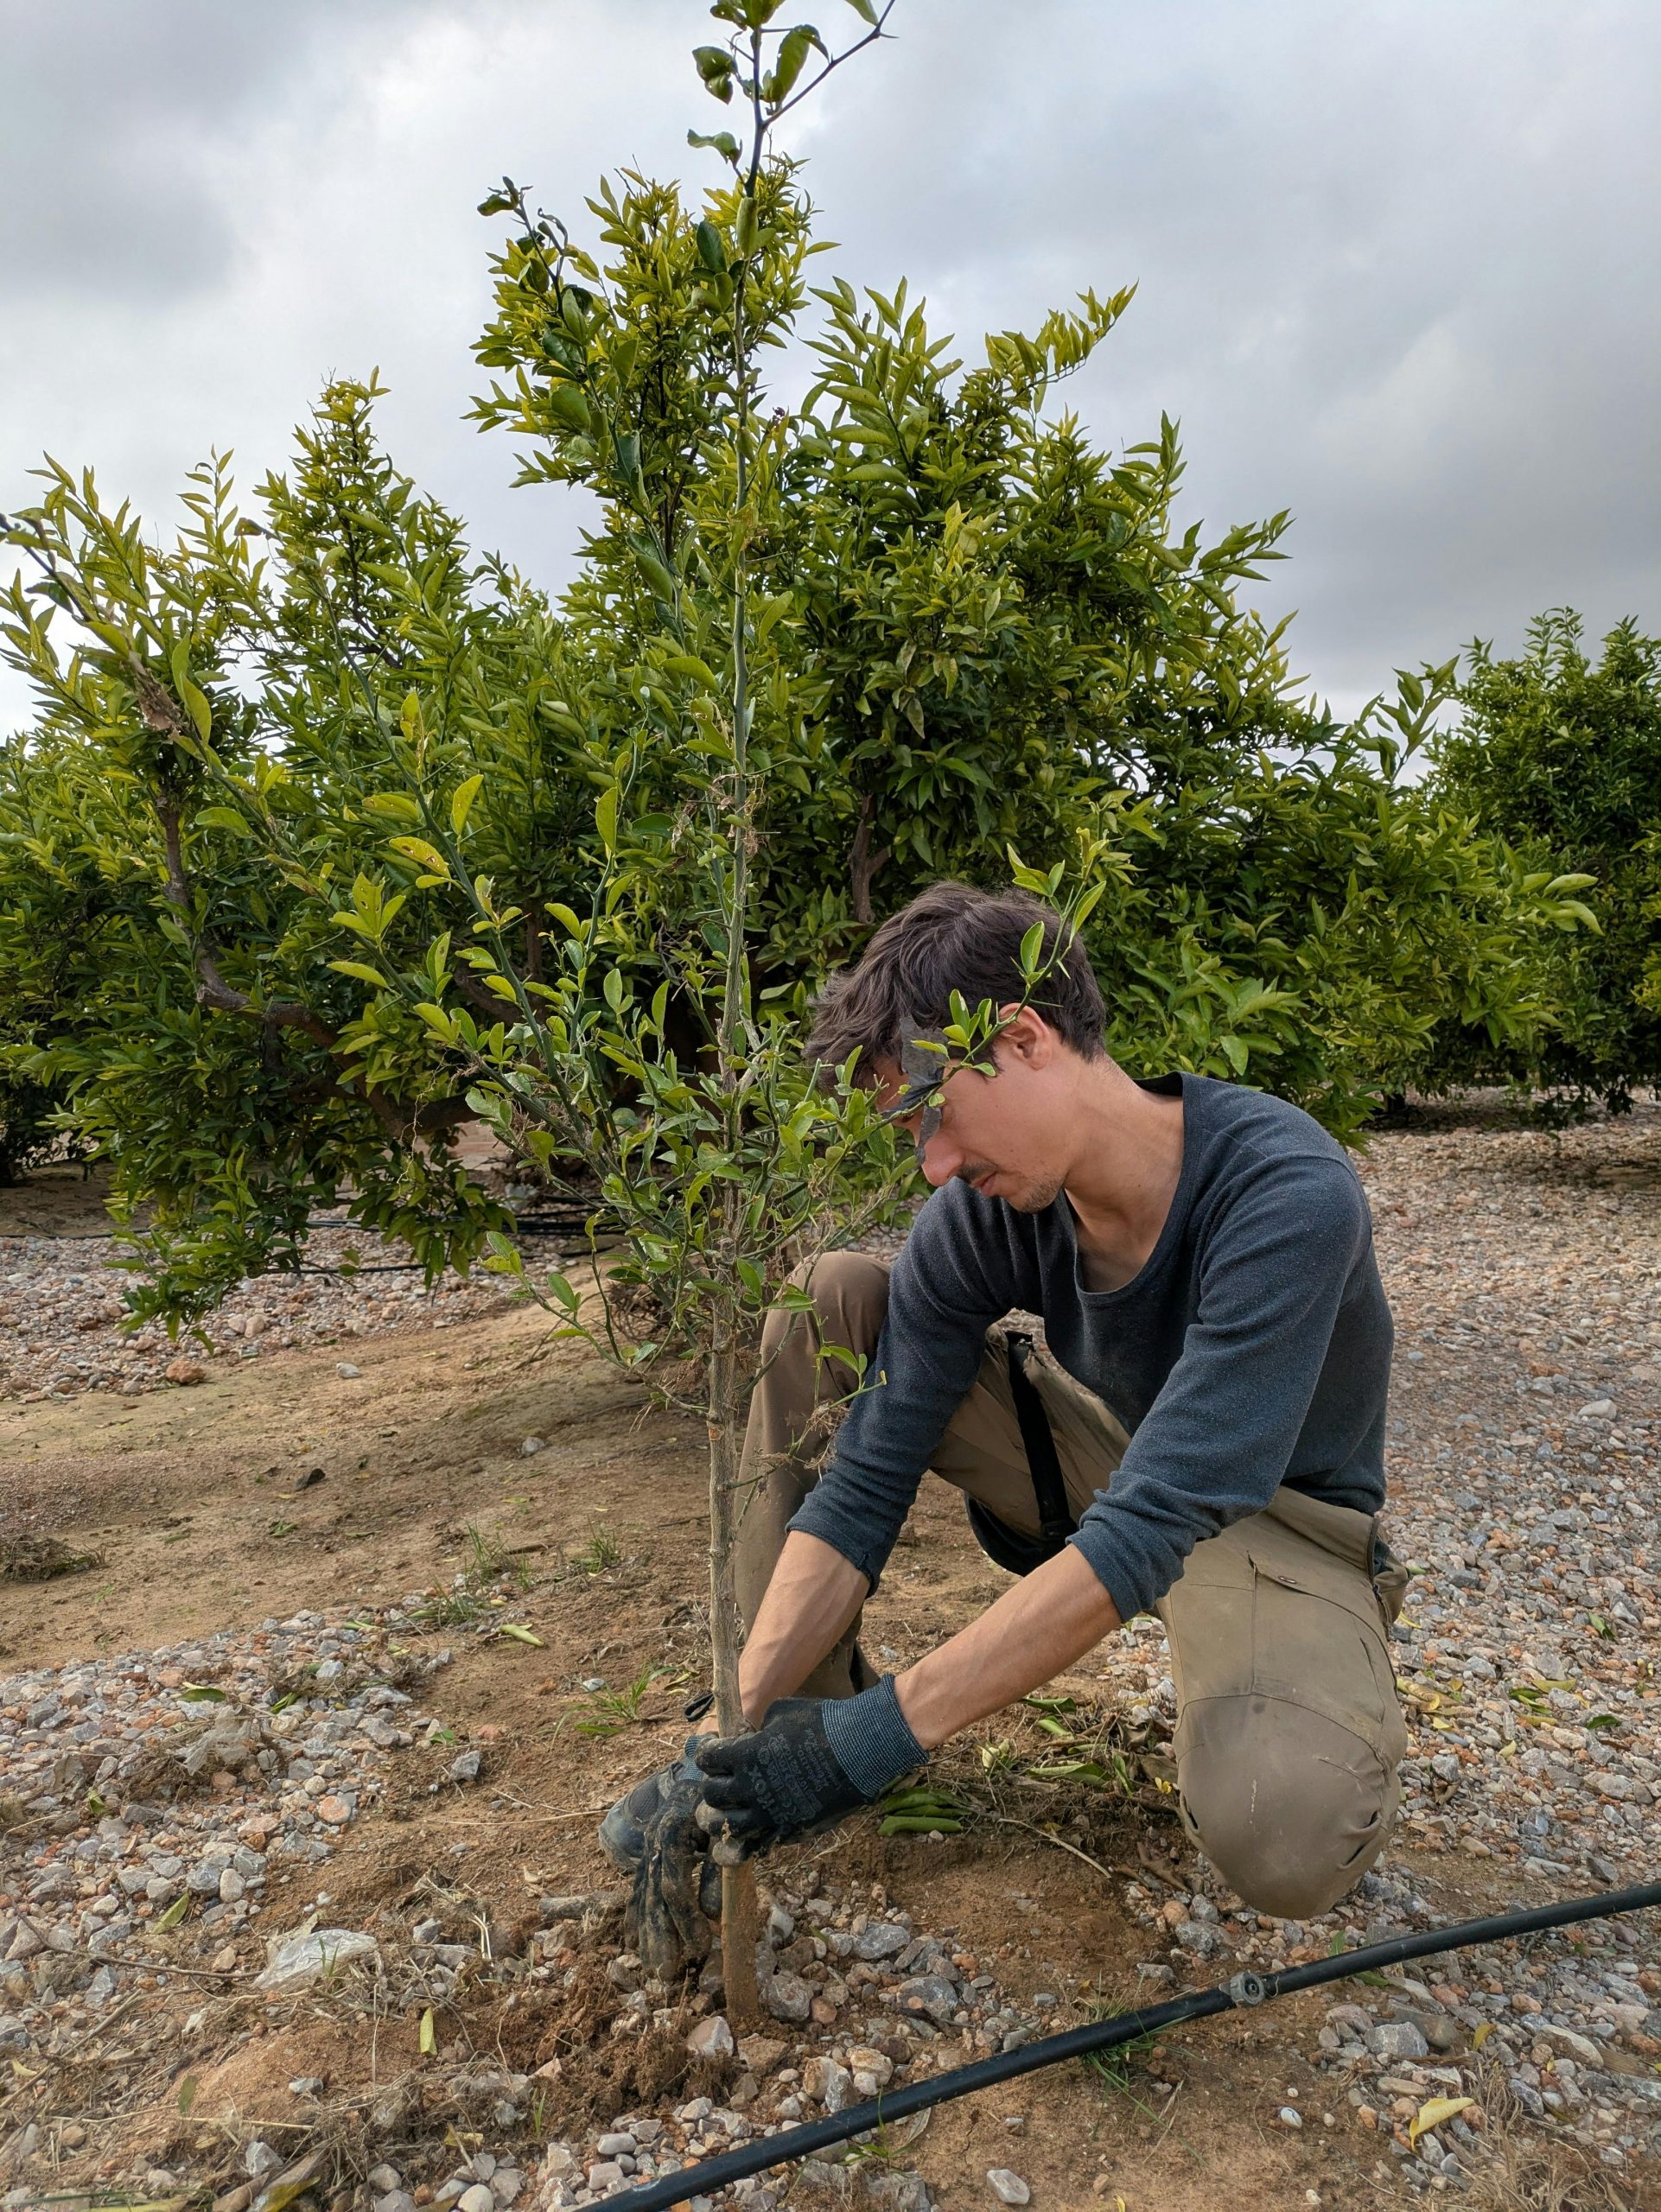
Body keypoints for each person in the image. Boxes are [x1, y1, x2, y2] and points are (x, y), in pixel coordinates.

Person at [604, 881, 1408, 1968]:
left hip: (1274, 1519)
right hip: (1103, 1457)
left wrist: (872, 1744)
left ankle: (843, 1738)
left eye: (932, 1114)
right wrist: (721, 1737)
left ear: (1023, 1038)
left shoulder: (1282, 1189)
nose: (931, 1166)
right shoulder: (982, 1216)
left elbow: (1152, 1523)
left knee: (1285, 1832)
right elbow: (864, 1482)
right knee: (831, 1293)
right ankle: (789, 1721)